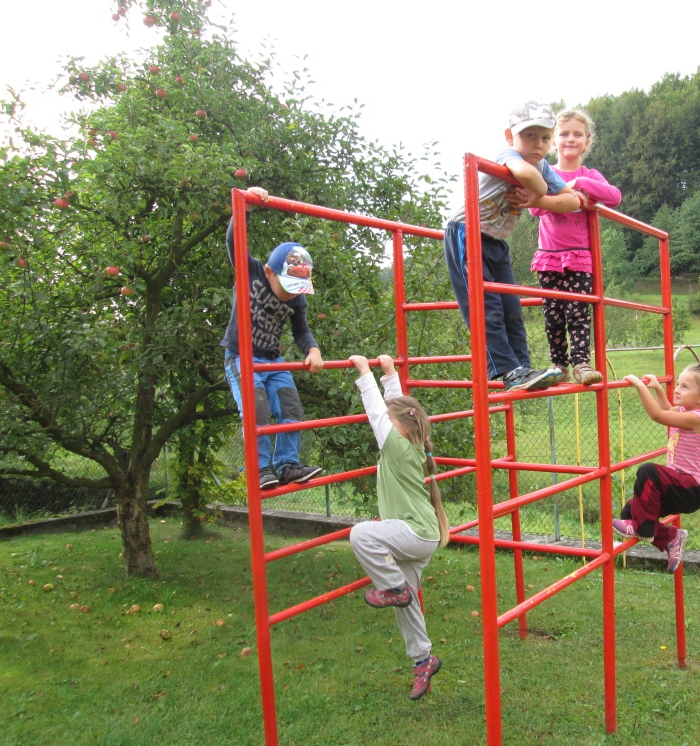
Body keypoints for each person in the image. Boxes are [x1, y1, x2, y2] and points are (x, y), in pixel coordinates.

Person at [444, 101, 582, 392]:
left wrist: (537, 199)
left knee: (512, 309)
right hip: (467, 234)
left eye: (545, 137)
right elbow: (528, 176)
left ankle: (523, 368)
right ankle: (508, 370)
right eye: (529, 135)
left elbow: (572, 200)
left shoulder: (542, 165)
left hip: (496, 241)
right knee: (487, 308)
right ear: (510, 136)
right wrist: (540, 191)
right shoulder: (507, 155)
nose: (538, 144)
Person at [347, 353, 449, 701]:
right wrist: (390, 374)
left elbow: (377, 411)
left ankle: (393, 587)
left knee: (361, 534)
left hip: (414, 532)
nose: (386, 425)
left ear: (400, 426)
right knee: (407, 605)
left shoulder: (395, 444)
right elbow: (396, 410)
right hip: (423, 534)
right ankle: (423, 660)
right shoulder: (413, 441)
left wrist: (365, 373)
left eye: (391, 422)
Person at [221, 187, 323, 491]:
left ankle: (287, 464)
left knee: (291, 407)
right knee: (257, 408)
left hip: (273, 360)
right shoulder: (250, 271)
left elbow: (301, 330)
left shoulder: (297, 298)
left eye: (298, 287)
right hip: (241, 357)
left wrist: (313, 350)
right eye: (288, 285)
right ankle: (259, 467)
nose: (293, 294)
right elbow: (234, 241)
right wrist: (245, 207)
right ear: (269, 272)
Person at [613, 364, 700, 572]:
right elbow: (667, 410)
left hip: (693, 488)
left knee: (648, 471)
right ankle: (671, 537)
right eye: (678, 384)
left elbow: (658, 416)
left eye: (685, 387)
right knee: (630, 511)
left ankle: (645, 529)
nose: (677, 389)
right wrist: (657, 388)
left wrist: (640, 386)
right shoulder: (685, 411)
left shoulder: (698, 418)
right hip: (678, 484)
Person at [529, 109, 621, 386]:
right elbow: (534, 208)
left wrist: (579, 183)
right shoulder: (545, 172)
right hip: (548, 257)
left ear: (587, 141)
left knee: (578, 313)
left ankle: (581, 363)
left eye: (577, 134)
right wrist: (567, 195)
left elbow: (614, 197)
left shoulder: (588, 175)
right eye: (564, 133)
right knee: (553, 315)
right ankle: (558, 365)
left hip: (579, 257)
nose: (571, 139)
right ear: (553, 141)